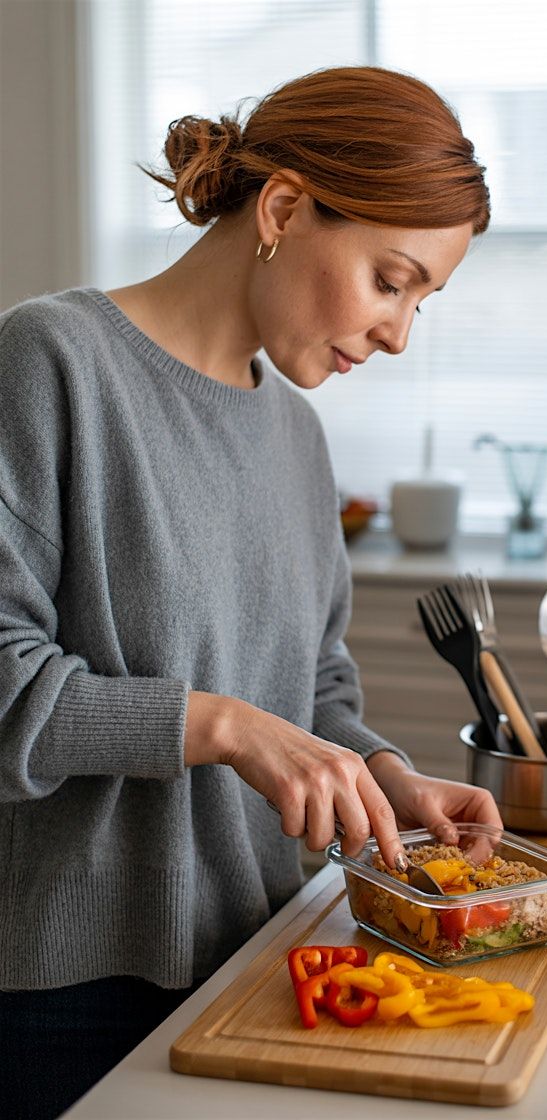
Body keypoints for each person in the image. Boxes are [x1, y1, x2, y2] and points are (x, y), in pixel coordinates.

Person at [0, 65, 501, 1119]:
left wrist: (385, 776)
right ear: (280, 208)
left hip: (273, 952)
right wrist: (217, 726)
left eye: (421, 299)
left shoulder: (297, 436)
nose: (399, 333)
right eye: (389, 279)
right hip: (71, 996)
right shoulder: (52, 363)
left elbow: (310, 686)